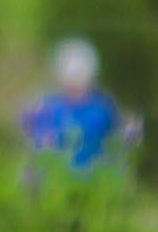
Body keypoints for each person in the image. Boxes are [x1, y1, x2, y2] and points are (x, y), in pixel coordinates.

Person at [21, 38, 121, 169]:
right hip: (57, 175)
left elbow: (116, 140)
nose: (75, 82)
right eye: (70, 75)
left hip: (94, 173)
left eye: (79, 74)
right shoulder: (49, 106)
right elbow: (33, 134)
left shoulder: (102, 109)